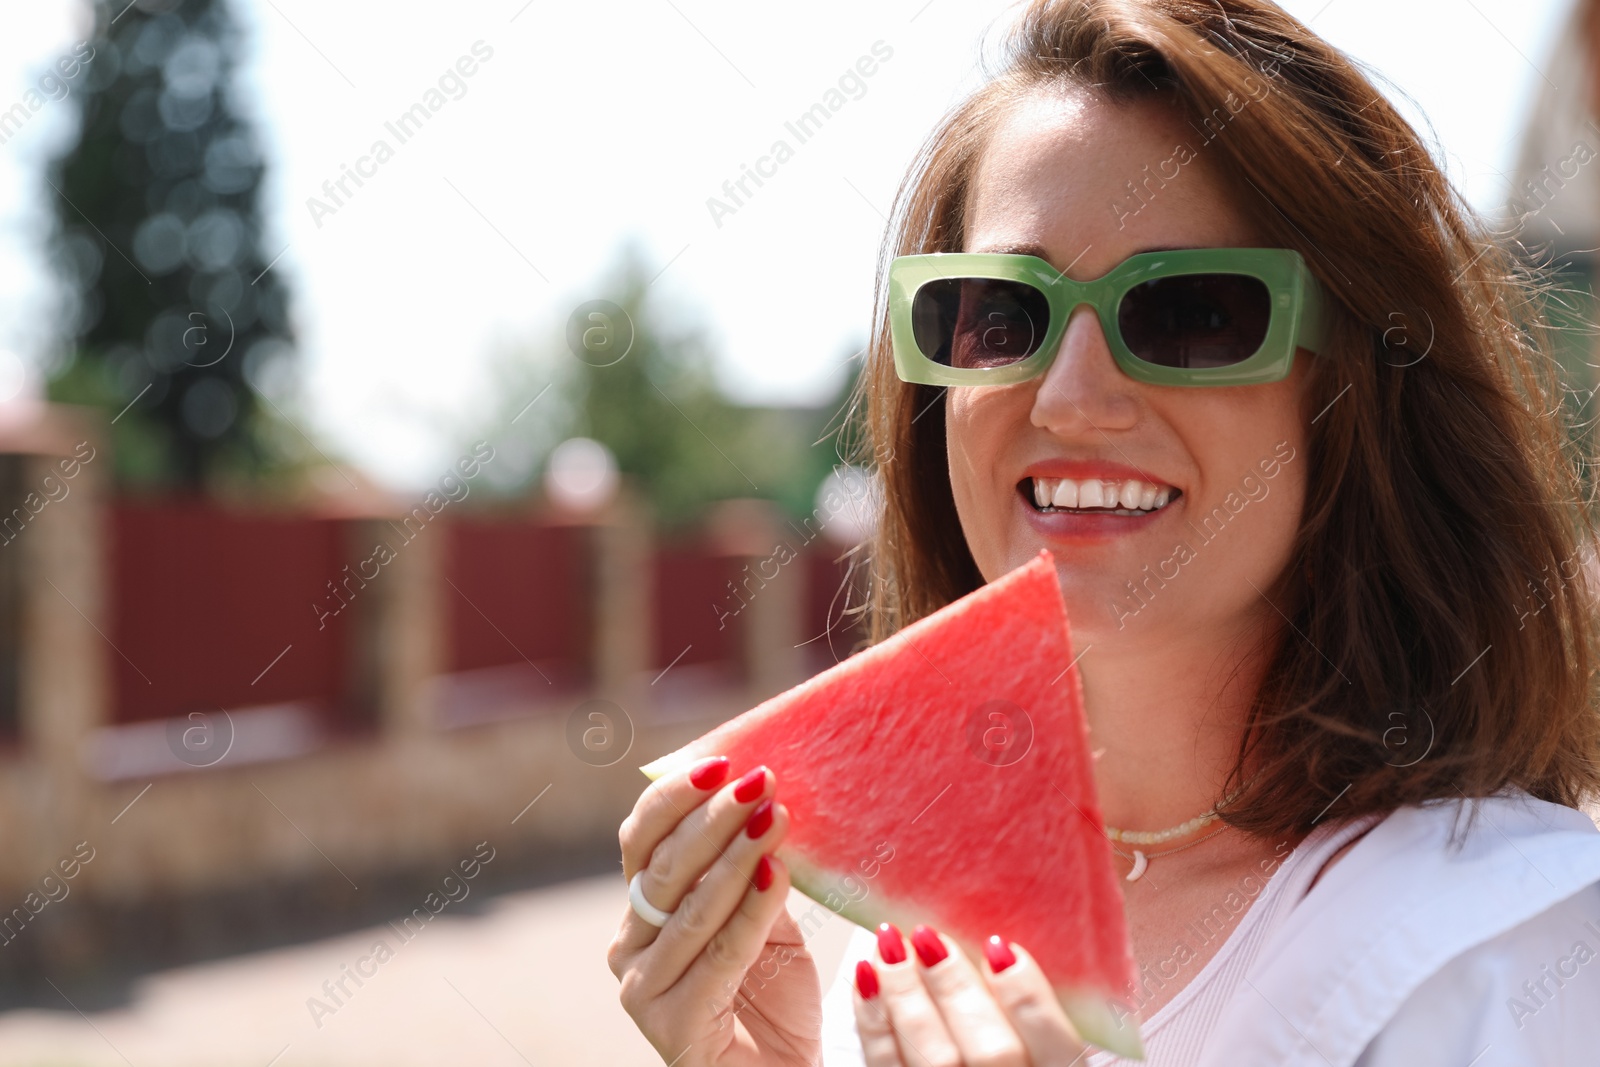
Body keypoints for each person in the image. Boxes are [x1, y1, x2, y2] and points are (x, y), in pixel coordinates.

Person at [607, 0, 1600, 1063]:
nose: (1072, 396)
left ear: (1354, 385)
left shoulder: (1514, 948)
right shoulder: (895, 950)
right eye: (1001, 314)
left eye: (1191, 311)